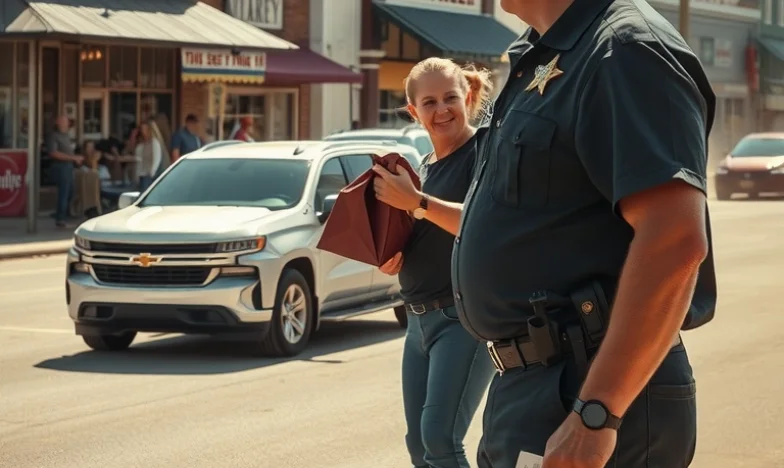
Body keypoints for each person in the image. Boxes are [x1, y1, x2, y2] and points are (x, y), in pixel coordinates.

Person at [451, 0, 718, 467]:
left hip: (589, 390)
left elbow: (675, 241)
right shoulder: (548, 51)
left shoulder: (625, 49)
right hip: (534, 385)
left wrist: (597, 413)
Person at [371, 57, 496, 468]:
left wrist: (417, 203)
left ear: (468, 97)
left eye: (450, 98)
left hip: (463, 320)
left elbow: (484, 225)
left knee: (440, 440)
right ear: (413, 111)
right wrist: (394, 258)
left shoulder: (486, 151)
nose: (441, 109)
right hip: (417, 322)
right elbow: (426, 236)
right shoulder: (423, 168)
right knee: (419, 446)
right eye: (429, 102)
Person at [46, 115, 84, 227]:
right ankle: (60, 218)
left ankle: (63, 213)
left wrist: (75, 159)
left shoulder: (66, 135)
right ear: (58, 123)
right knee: (64, 192)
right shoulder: (53, 136)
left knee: (71, 191)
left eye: (66, 122)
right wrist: (73, 158)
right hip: (60, 167)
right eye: (62, 122)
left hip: (69, 166)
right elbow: (53, 153)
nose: (65, 124)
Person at [134, 121, 163, 192]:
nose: (143, 132)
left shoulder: (155, 143)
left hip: (149, 175)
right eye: (142, 129)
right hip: (141, 174)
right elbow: (139, 160)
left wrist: (152, 173)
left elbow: (157, 159)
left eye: (146, 129)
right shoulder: (141, 145)